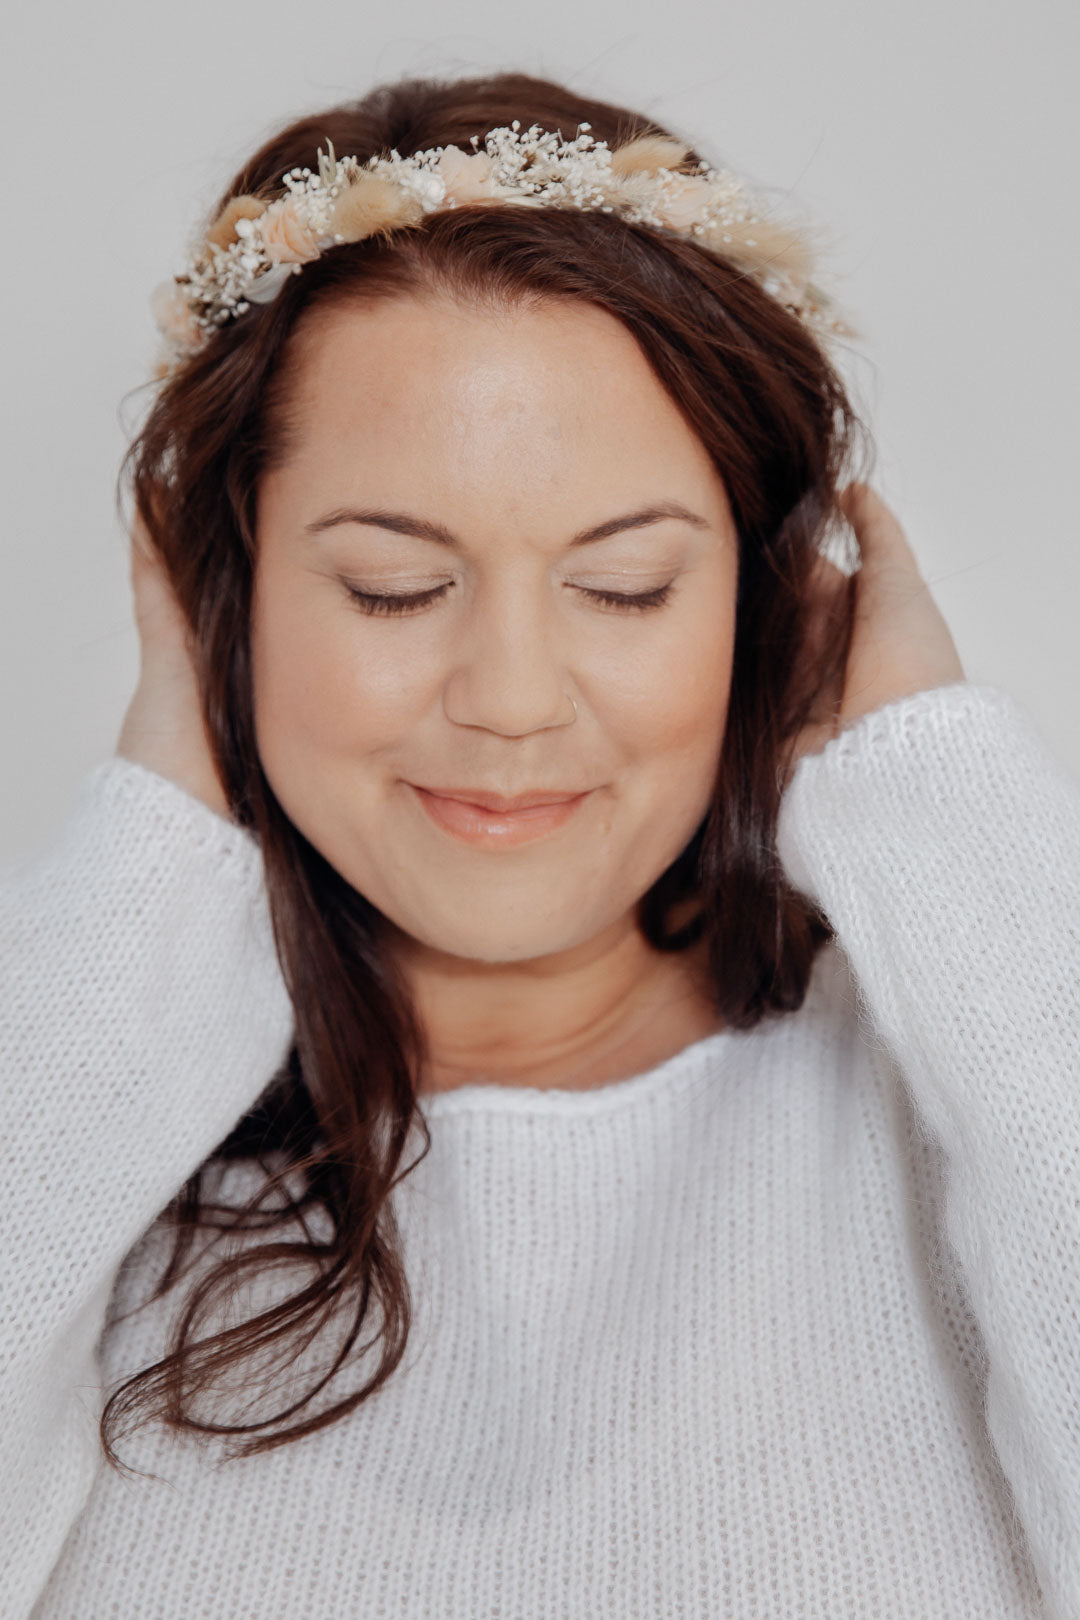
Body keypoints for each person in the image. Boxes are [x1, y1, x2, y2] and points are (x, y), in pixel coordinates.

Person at [3, 68, 1078, 1620]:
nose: (509, 701)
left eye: (625, 586)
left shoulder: (970, 1103)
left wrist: (938, 799)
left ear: (765, 599)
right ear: (215, 589)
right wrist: (146, 878)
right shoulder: (68, 1095)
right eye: (391, 587)